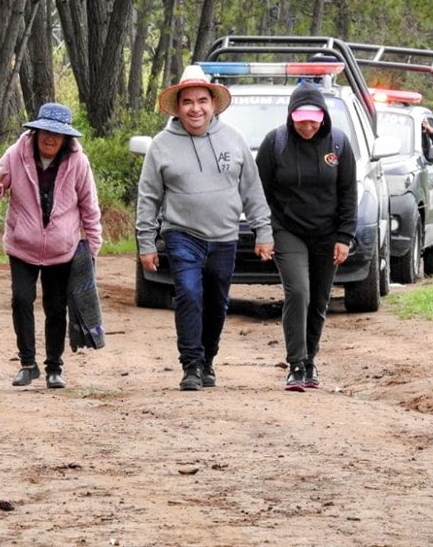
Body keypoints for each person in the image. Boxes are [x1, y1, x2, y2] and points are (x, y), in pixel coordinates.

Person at [136, 65, 273, 391]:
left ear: (212, 104)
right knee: (188, 294)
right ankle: (191, 365)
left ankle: (208, 359)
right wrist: (146, 242)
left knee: (216, 302)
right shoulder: (161, 145)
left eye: (201, 101)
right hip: (182, 234)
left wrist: (263, 232)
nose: (195, 108)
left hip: (224, 236)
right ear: (178, 107)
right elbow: (148, 197)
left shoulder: (233, 139)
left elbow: (252, 190)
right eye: (187, 102)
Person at [0, 103, 102, 389]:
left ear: (66, 139)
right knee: (21, 300)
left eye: (57, 134)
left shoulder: (78, 162)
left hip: (62, 250)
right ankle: (27, 364)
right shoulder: (16, 155)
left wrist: (92, 250)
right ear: (35, 132)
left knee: (56, 306)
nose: (50, 138)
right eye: (45, 132)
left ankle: (54, 367)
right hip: (22, 246)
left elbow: (89, 206)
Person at [255, 82, 357, 391]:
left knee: (319, 299)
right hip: (288, 229)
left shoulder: (338, 144)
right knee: (299, 291)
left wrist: (344, 236)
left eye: (314, 119)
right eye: (302, 120)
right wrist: (264, 230)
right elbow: (259, 192)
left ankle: (310, 360)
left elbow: (348, 192)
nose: (308, 126)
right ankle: (295, 363)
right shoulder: (276, 143)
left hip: (327, 233)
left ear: (323, 117)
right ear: (292, 116)